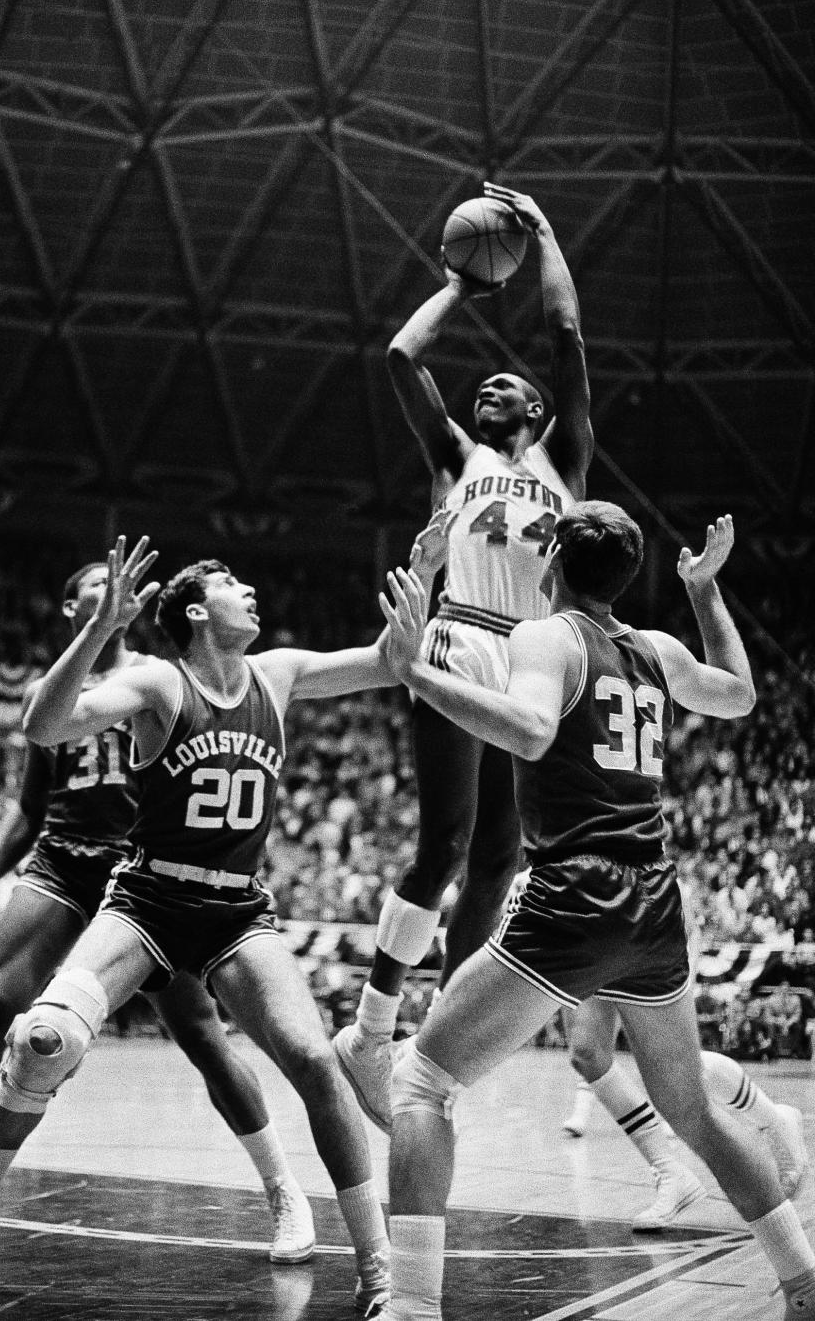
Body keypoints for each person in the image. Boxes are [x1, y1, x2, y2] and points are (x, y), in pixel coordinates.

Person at [0, 540, 396, 1316]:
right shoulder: (154, 680)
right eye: (232, 584)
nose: (251, 590)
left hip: (237, 909)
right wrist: (94, 632)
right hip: (147, 899)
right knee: (42, 1039)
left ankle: (379, 1269)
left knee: (314, 1058)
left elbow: (383, 661)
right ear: (196, 611)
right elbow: (46, 727)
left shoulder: (276, 673)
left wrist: (428, 591)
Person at [377, 506, 815, 1321]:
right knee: (693, 1112)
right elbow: (740, 694)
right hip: (654, 897)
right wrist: (704, 591)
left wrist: (419, 674)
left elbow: (536, 732)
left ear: (548, 564)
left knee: (422, 1080)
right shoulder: (657, 647)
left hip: (575, 889)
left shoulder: (548, 636)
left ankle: (410, 1306)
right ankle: (801, 1275)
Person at [333, 183, 593, 1129]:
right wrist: (458, 284)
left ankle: (435, 1039)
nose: (491, 388)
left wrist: (546, 239)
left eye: (507, 388)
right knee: (444, 839)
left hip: (528, 654)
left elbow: (567, 344)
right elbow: (403, 356)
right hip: (455, 635)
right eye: (481, 387)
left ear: (537, 413)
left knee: (498, 857)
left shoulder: (564, 468)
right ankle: (371, 1025)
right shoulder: (454, 458)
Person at [561, 995, 807, 1227]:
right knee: (586, 1052)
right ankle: (669, 1170)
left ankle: (775, 1119)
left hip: (648, 949)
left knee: (679, 1063)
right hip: (587, 949)